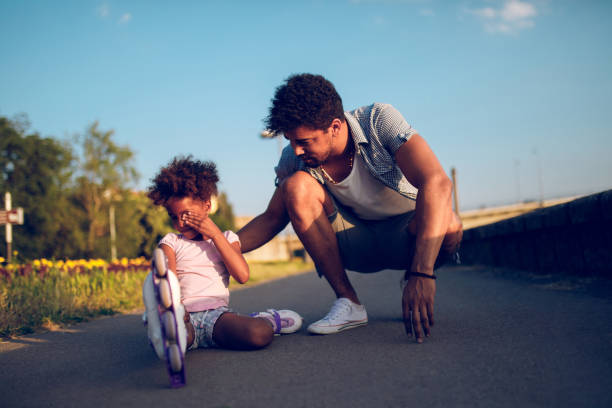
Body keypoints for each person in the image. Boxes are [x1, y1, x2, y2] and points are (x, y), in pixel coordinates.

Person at [238, 73, 462, 343]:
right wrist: (218, 246)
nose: (295, 150)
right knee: (296, 185)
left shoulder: (379, 120)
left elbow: (437, 182)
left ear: (334, 126)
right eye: (290, 141)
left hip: (406, 237)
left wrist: (422, 272)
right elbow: (272, 218)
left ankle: (412, 277)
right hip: (353, 243)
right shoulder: (294, 159)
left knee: (450, 224)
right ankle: (349, 303)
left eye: (303, 141)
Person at [143, 156, 302, 386]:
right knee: (176, 336)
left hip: (215, 318)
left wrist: (215, 235)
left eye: (186, 215)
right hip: (183, 318)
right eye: (173, 217)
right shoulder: (170, 242)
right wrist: (177, 309)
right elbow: (170, 279)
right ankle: (167, 334)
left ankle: (267, 319)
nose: (179, 223)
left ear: (206, 205)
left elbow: (242, 275)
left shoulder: (227, 239)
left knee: (260, 334)